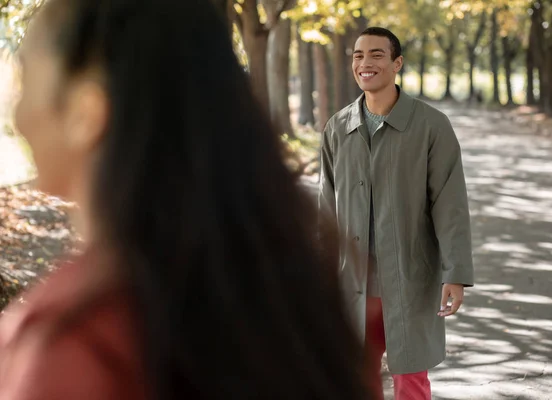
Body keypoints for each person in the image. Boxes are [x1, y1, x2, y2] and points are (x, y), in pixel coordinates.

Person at [0, 0, 372, 398]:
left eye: (25, 78)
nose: (17, 114)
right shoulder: (289, 291)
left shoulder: (75, 340)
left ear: (86, 111)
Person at [318, 27, 474, 400]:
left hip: (409, 278)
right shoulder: (337, 128)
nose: (365, 63)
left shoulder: (431, 126)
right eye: (358, 55)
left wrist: (456, 274)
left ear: (397, 63)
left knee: (410, 376)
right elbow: (325, 207)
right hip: (354, 280)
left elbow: (450, 205)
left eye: (376, 55)